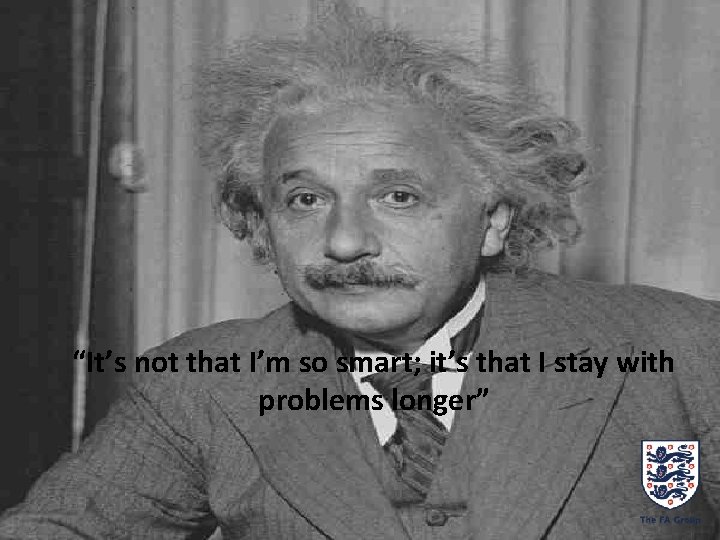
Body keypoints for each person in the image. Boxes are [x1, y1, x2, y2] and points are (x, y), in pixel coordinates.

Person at [1, 2, 718, 539]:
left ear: (494, 219)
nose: (344, 243)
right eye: (305, 200)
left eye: (398, 196)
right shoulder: (199, 387)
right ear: (262, 223)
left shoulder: (683, 350)